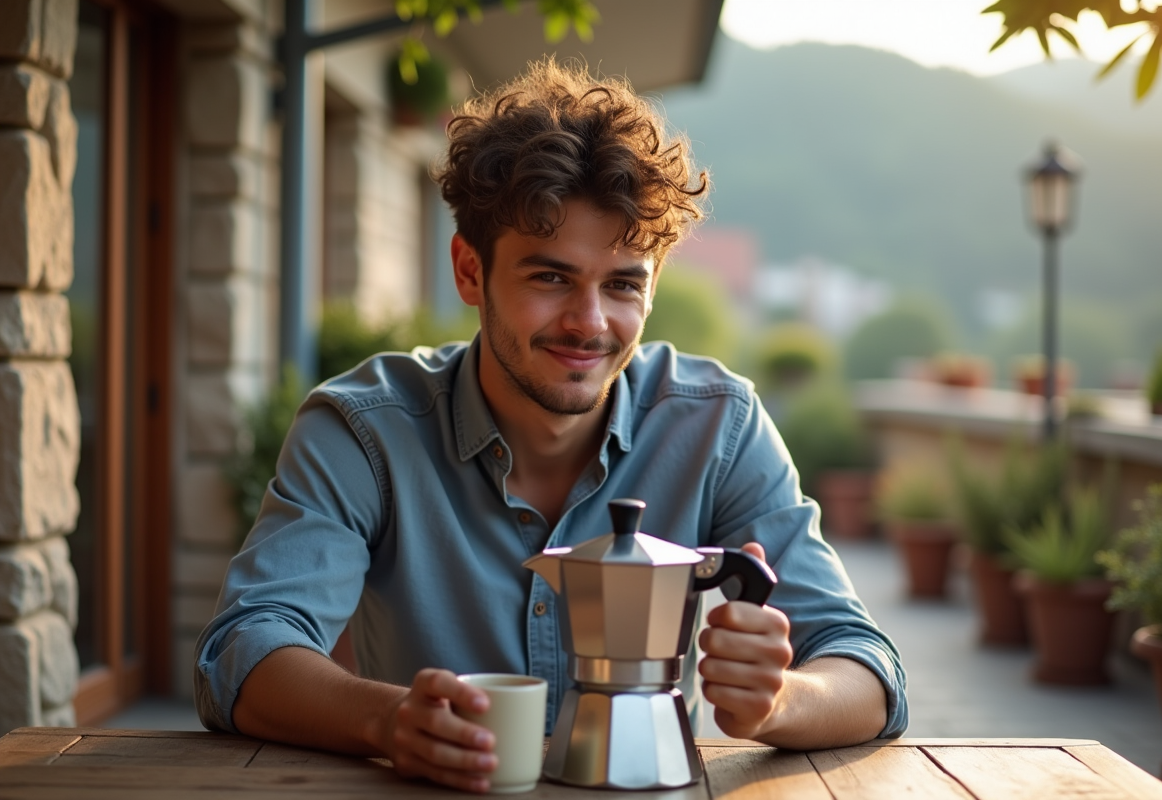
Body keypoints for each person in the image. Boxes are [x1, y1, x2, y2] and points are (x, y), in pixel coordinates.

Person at [195, 58, 907, 793]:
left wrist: (781, 701)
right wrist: (388, 720)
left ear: (654, 286)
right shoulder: (364, 431)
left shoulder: (718, 424)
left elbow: (868, 668)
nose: (590, 323)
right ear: (470, 272)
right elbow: (242, 651)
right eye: (550, 277)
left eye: (624, 284)